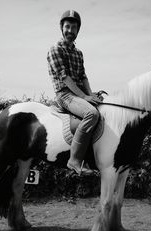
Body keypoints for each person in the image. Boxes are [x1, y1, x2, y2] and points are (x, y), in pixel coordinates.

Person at [47, 10, 102, 175]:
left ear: (78, 30)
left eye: (74, 28)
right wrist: (84, 97)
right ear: (61, 28)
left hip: (78, 93)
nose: (70, 31)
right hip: (65, 94)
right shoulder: (55, 49)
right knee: (92, 114)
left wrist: (91, 94)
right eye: (67, 27)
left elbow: (83, 76)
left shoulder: (79, 53)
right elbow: (65, 78)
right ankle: (74, 160)